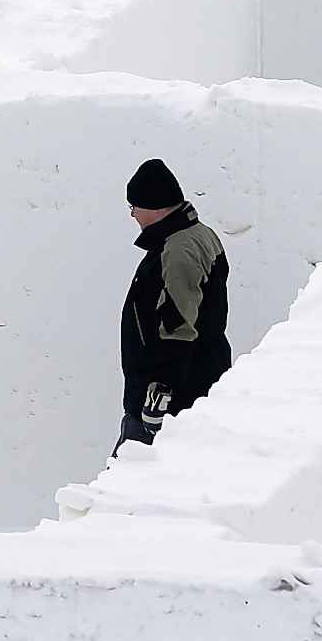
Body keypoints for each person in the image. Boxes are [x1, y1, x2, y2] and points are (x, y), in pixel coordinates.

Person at [116, 158, 231, 456]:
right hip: (197, 380)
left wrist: (158, 396)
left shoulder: (179, 250)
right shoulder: (199, 234)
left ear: (153, 207)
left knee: (132, 481)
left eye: (134, 208)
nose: (132, 215)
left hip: (174, 396)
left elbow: (178, 326)